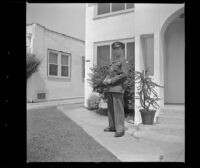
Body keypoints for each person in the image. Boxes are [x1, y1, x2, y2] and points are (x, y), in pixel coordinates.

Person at [103, 42, 128, 137]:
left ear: (122, 49)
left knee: (118, 110)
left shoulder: (124, 61)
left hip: (117, 88)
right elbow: (110, 73)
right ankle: (112, 126)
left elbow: (124, 75)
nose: (115, 51)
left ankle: (120, 129)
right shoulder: (113, 62)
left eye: (118, 49)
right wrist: (106, 79)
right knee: (111, 109)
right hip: (110, 88)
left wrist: (111, 80)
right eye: (114, 49)